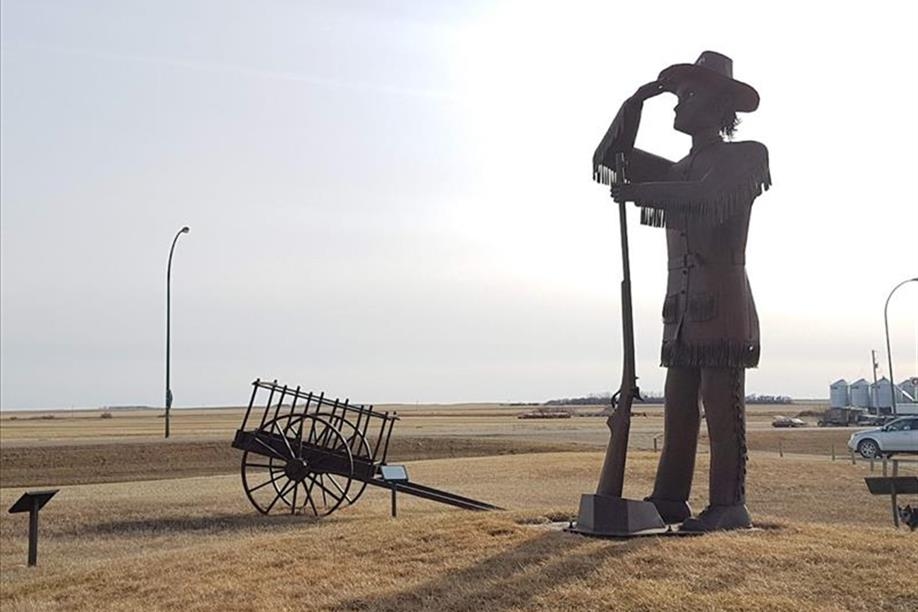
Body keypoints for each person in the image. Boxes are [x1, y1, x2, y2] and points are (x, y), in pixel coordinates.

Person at [593, 51, 771, 531]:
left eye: (687, 95)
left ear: (717, 105)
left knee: (721, 403)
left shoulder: (746, 156)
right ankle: (669, 498)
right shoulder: (678, 170)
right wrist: (638, 101)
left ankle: (729, 504)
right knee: (678, 406)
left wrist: (641, 193)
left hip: (723, 300)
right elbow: (613, 159)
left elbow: (708, 197)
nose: (677, 106)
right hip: (683, 308)